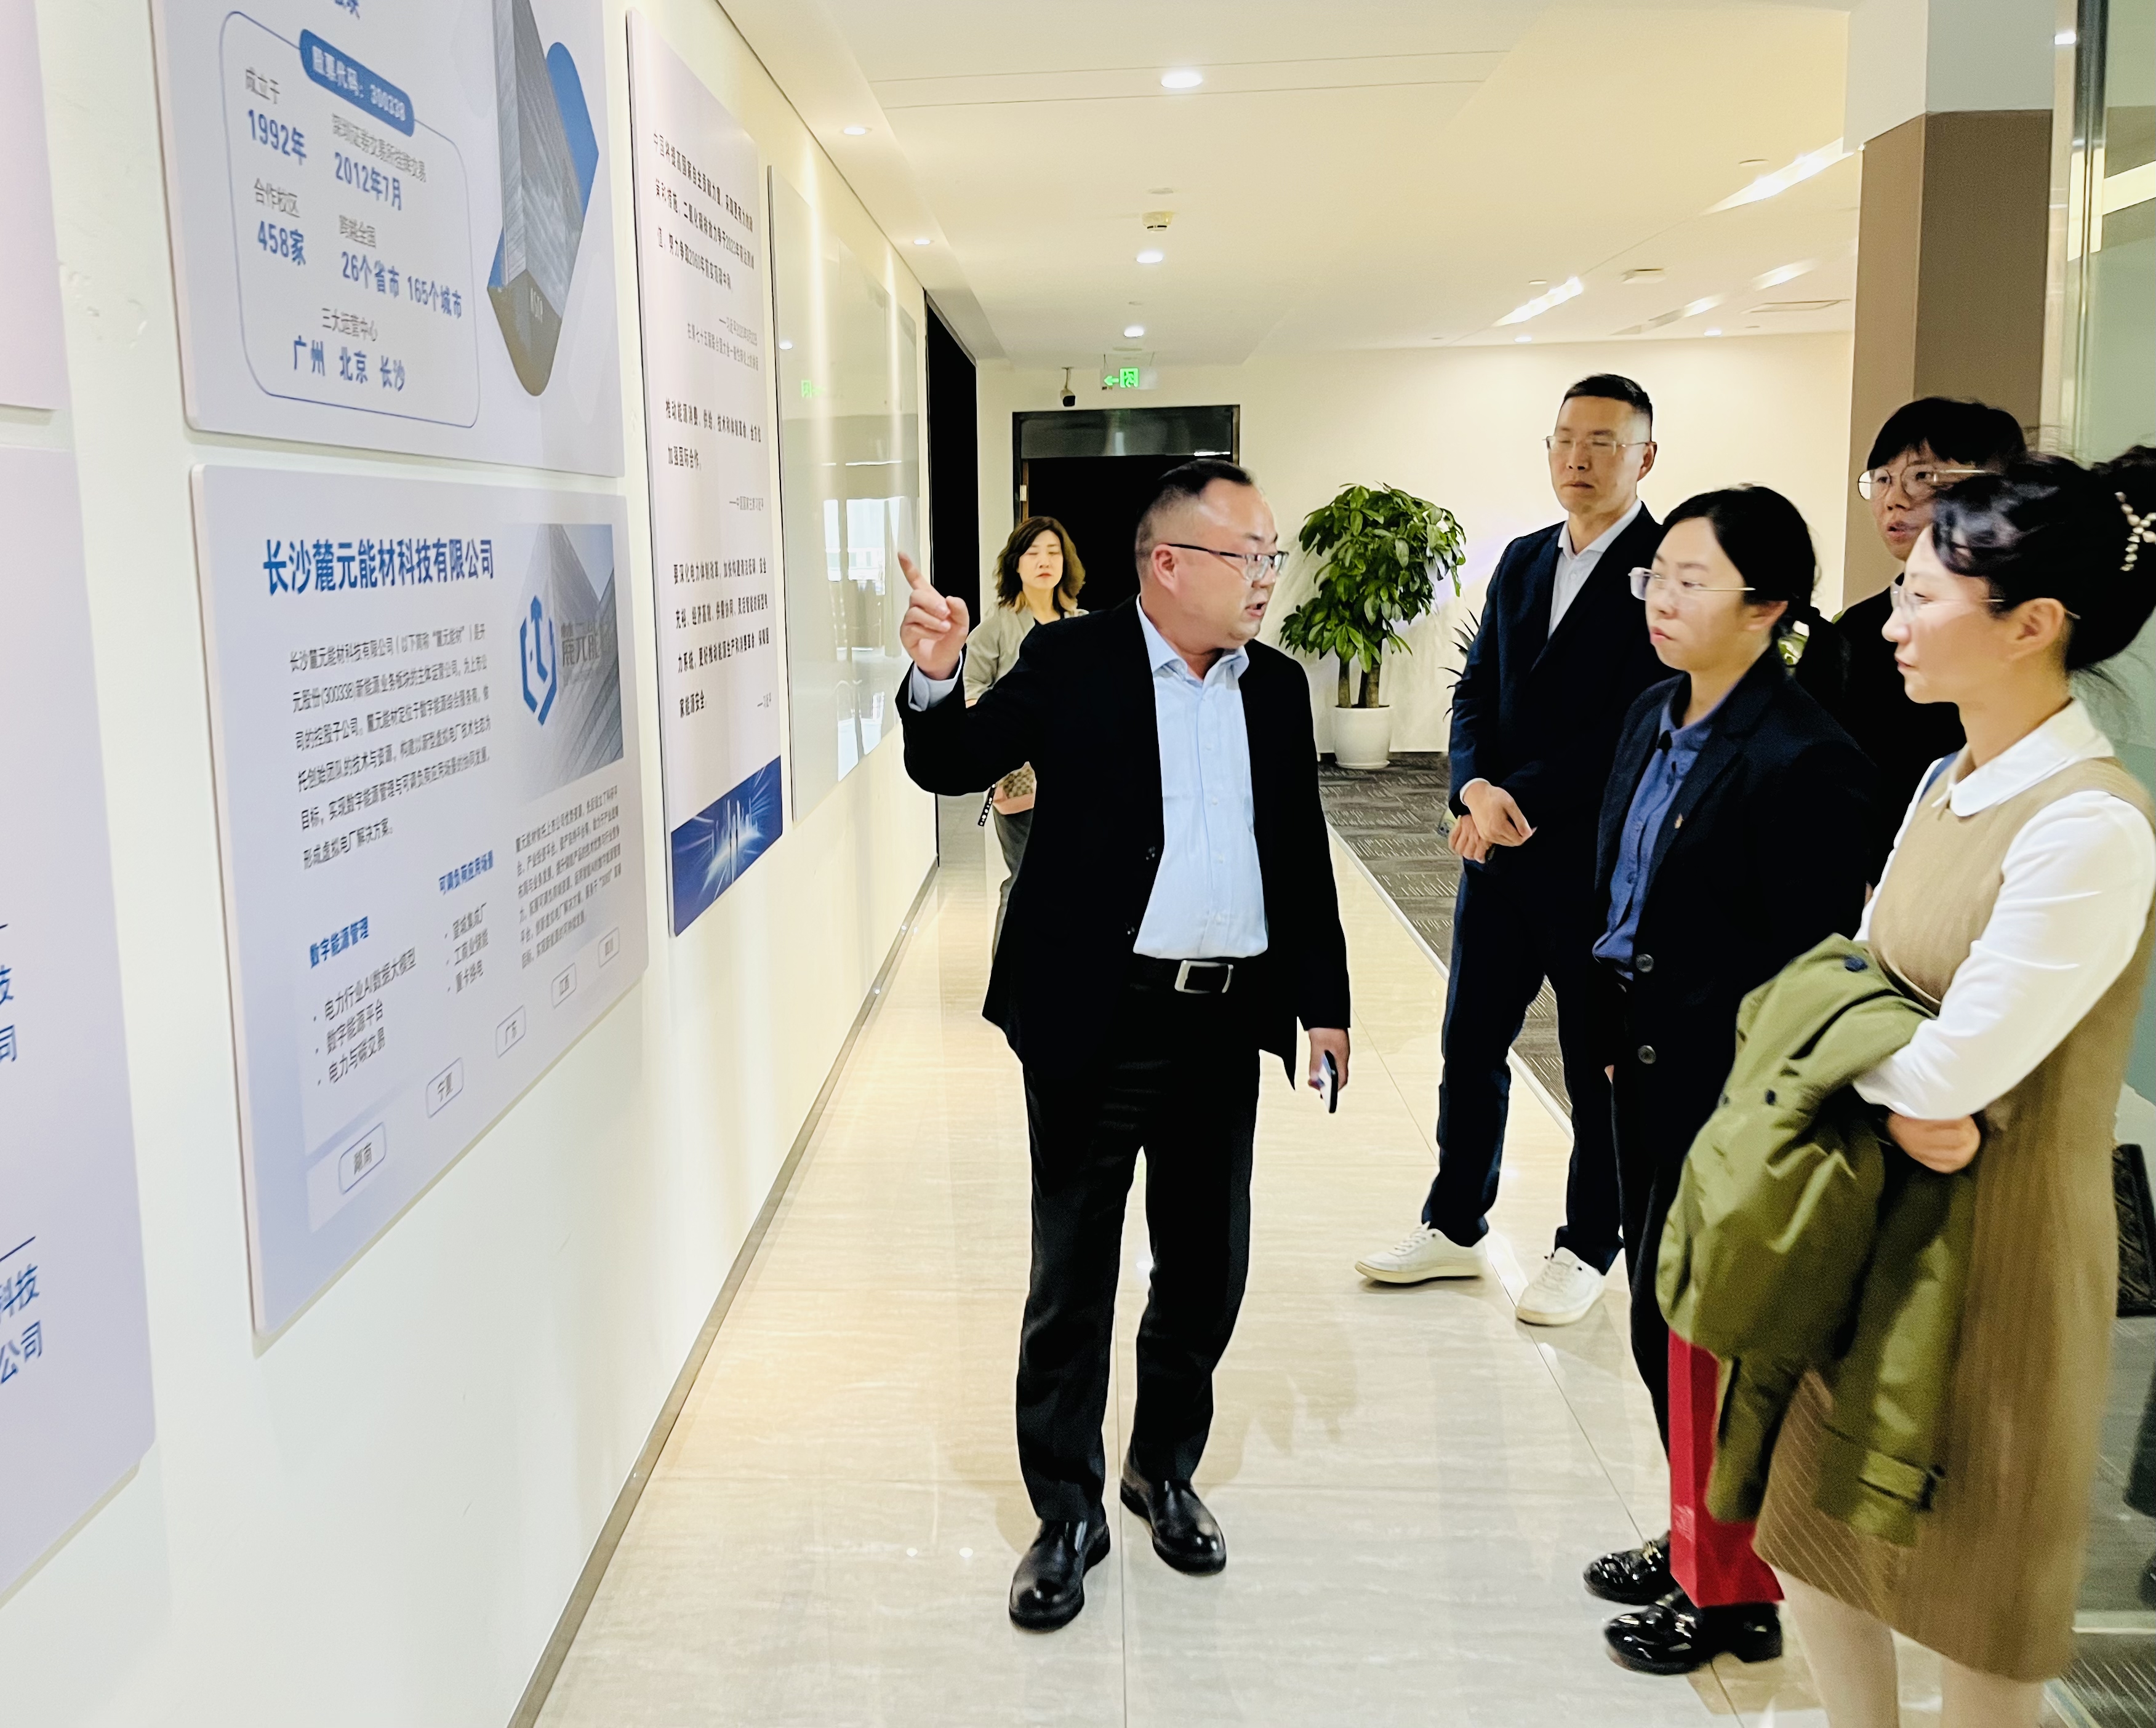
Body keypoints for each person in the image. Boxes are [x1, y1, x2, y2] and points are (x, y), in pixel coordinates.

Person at [894, 459, 1353, 1632]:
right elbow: (949, 762)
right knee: (1073, 1272)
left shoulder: (1274, 686)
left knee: (1205, 1267)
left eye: (1270, 556)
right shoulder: (1072, 660)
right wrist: (935, 676)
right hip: (1095, 1015)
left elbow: (1298, 850)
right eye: (1246, 556)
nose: (1266, 577)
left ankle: (1161, 1467)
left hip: (1222, 1019)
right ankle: (1065, 1512)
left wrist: (1324, 1001)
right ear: (1167, 564)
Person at [1752, 449, 2156, 1728]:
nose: (1891, 621)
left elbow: (1943, 1064)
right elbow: (1859, 988)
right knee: (1814, 1532)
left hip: (1997, 1260)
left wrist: (1819, 1027)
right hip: (1869, 1226)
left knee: (1979, 1593)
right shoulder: (1946, 779)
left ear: (2029, 625)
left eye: (1923, 596)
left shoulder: (2087, 825)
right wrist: (1857, 1041)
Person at [1571, 488, 1878, 1674]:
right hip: (1634, 1062)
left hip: (1729, 1092)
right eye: (1655, 574)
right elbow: (1618, 889)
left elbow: (1800, 971)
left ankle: (1734, 1597)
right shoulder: (1648, 712)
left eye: (1689, 579)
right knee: (1658, 1320)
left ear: (1767, 606)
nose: (1659, 596)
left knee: (1715, 1337)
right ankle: (1694, 1538)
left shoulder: (1806, 758)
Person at [1357, 375, 1668, 1327]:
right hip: (1492, 856)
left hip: (1591, 862)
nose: (1577, 459)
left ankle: (1590, 1243)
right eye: (1564, 440)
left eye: (1602, 442)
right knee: (1469, 1042)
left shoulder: (1661, 570)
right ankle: (1455, 1223)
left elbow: (1638, 719)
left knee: (1591, 1060)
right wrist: (1471, 787)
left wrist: (1514, 797)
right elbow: (1473, 693)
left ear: (1643, 457)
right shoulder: (1524, 557)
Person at [1796, 399, 2025, 874]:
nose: (1893, 499)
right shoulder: (1854, 628)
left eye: (1922, 477)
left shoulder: (2013, 624)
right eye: (1881, 479)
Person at [965, 516, 1087, 947]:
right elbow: (970, 689)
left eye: (1053, 553)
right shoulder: (998, 625)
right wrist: (1008, 724)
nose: (1044, 562)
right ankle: (1006, 975)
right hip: (1020, 776)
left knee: (1071, 880)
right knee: (1022, 878)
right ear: (1016, 564)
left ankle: (1057, 973)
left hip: (1076, 776)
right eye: (1033, 553)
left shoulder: (1082, 623)